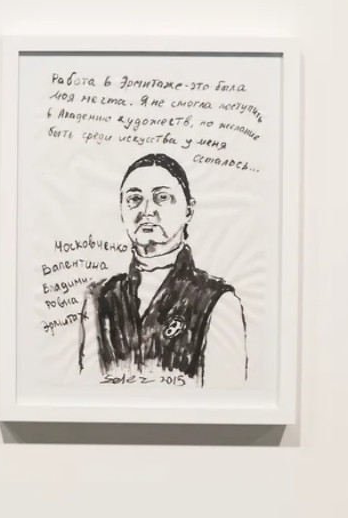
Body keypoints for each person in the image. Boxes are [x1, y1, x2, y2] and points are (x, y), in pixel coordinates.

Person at [78, 153, 248, 385]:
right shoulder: (99, 298)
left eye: (162, 197)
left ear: (189, 211)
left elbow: (225, 397)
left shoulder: (217, 300)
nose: (147, 210)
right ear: (121, 210)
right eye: (134, 199)